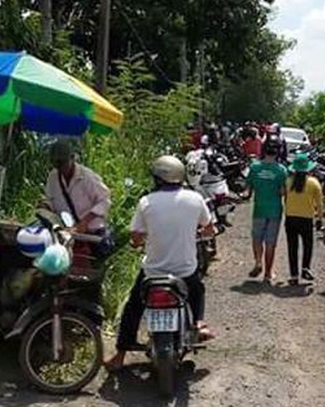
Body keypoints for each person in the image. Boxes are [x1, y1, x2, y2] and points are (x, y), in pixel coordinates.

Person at [105, 156, 214, 371]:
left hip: (152, 273)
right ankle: (199, 324)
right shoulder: (195, 199)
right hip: (185, 270)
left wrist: (139, 241)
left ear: (158, 179)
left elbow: (136, 237)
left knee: (133, 308)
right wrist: (197, 232)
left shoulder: (146, 202)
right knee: (197, 290)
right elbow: (209, 229)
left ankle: (119, 355)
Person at [44, 140, 114, 255]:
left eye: (62, 163)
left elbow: (105, 200)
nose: (59, 167)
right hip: (66, 232)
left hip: (92, 232)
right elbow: (50, 200)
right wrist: (45, 208)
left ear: (72, 158)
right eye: (55, 164)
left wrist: (84, 222)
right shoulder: (53, 177)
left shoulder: (87, 177)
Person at [247, 135, 288, 283]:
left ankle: (258, 262)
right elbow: (283, 192)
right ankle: (268, 273)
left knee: (257, 238)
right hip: (275, 210)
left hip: (259, 208)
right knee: (271, 242)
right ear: (278, 152)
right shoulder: (281, 170)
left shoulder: (254, 167)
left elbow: (248, 187)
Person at [284, 153, 324, 285]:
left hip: (290, 218)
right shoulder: (314, 183)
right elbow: (319, 204)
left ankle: (294, 275)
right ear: (308, 169)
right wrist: (319, 219)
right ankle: (306, 268)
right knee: (308, 245)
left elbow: (284, 197)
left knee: (292, 247)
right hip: (306, 219)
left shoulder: (288, 181)